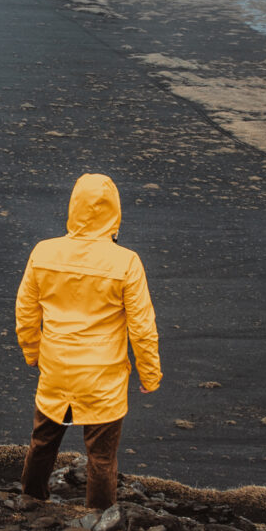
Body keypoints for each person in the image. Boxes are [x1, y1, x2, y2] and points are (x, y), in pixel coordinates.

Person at [13, 172, 162, 508]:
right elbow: (142, 326)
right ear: (114, 211)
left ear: (74, 206)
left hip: (56, 370)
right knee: (102, 458)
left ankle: (30, 502)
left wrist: (32, 353)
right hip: (102, 379)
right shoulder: (126, 262)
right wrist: (150, 374)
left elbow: (25, 312)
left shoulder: (44, 252)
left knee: (42, 443)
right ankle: (99, 517)